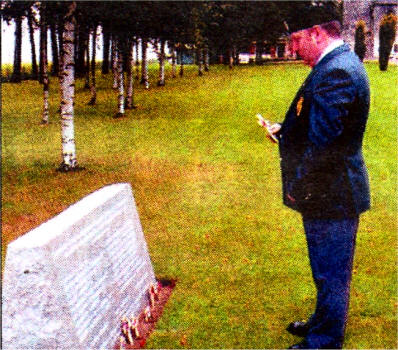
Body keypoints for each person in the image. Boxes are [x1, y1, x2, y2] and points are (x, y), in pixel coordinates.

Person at [266, 14, 371, 350]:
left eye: (296, 41)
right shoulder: (333, 65)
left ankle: (325, 341)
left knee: (331, 272)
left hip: (331, 192)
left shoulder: (336, 71)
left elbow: (324, 145)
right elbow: (318, 124)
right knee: (325, 268)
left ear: (316, 33)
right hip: (330, 190)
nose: (293, 49)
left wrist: (299, 186)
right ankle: (323, 321)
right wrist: (286, 132)